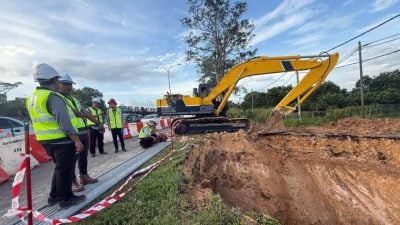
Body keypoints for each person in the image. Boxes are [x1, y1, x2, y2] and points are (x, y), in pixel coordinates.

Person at [26, 63, 85, 209]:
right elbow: (64, 122)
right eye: (58, 81)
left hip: (45, 140)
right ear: (54, 81)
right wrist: (76, 140)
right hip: (61, 140)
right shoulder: (53, 96)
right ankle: (66, 199)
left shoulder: (32, 98)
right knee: (65, 170)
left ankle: (53, 197)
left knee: (59, 168)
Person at [58, 73, 100, 192]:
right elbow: (76, 112)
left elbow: (84, 112)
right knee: (71, 160)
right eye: (65, 84)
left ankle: (84, 176)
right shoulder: (58, 98)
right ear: (58, 84)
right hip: (72, 134)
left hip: (83, 131)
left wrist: (98, 123)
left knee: (83, 157)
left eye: (70, 84)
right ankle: (73, 181)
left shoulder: (74, 99)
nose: (69, 87)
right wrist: (83, 114)